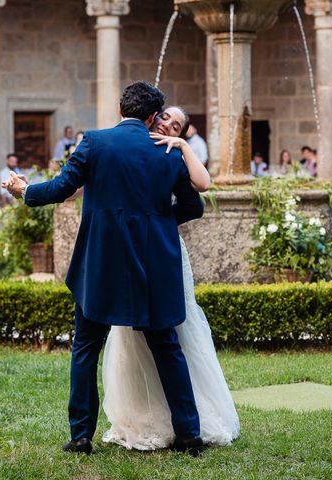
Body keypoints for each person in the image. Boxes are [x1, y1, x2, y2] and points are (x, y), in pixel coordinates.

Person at [3, 81, 206, 456]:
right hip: (153, 266)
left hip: (101, 264)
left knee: (85, 348)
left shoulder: (94, 142)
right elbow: (194, 207)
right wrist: (159, 223)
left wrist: (24, 192)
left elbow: (62, 188)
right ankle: (189, 435)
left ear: (119, 109)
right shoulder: (167, 152)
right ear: (151, 117)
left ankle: (81, 436)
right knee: (167, 348)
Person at [101, 105, 238, 451]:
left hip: (162, 253)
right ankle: (145, 415)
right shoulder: (121, 147)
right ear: (151, 116)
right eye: (164, 117)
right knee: (132, 339)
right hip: (130, 251)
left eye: (175, 124)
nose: (166, 124)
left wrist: (182, 146)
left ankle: (190, 425)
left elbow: (197, 200)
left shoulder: (173, 156)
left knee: (174, 335)